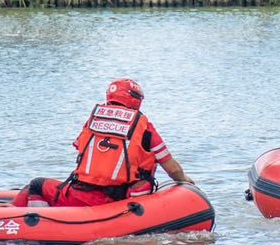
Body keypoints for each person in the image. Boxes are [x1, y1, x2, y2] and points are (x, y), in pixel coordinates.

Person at [15, 78, 194, 208]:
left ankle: (35, 226)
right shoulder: (144, 127)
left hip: (84, 194)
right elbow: (173, 169)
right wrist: (184, 180)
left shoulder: (93, 121)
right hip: (122, 198)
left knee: (36, 185)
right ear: (136, 99)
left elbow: (81, 148)